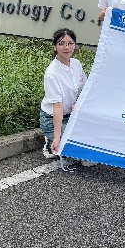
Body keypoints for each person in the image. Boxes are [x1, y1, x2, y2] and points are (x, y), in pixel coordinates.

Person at [40, 28, 86, 159]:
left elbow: (84, 88)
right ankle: (51, 141)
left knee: (90, 138)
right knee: (76, 146)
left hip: (73, 115)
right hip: (51, 118)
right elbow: (57, 107)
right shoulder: (52, 73)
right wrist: (57, 137)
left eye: (70, 43)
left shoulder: (76, 64)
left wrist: (78, 103)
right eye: (61, 43)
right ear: (55, 47)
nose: (67, 47)